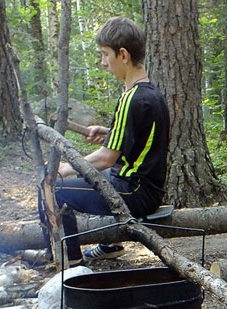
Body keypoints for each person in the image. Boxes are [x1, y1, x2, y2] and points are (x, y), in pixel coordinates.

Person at [40, 16, 170, 266]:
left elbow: (106, 157)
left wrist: (65, 169)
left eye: (104, 55)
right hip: (144, 187)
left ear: (123, 55)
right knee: (92, 179)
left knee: (52, 189)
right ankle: (109, 245)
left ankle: (71, 261)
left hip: (134, 191)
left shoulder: (132, 98)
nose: (103, 63)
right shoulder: (150, 93)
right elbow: (139, 141)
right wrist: (109, 133)